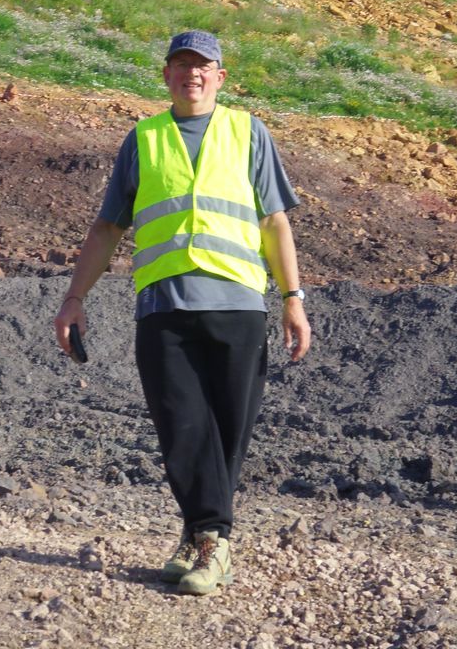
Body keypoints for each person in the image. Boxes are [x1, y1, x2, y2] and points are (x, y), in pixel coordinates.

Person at [53, 29, 311, 595]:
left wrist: (292, 299)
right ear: (166, 75)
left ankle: (199, 536)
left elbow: (274, 222)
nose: (192, 73)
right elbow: (108, 227)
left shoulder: (248, 132)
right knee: (181, 425)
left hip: (238, 304)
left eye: (203, 65)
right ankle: (212, 540)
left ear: (220, 76)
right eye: (181, 64)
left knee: (227, 435)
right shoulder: (143, 139)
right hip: (163, 307)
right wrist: (75, 298)